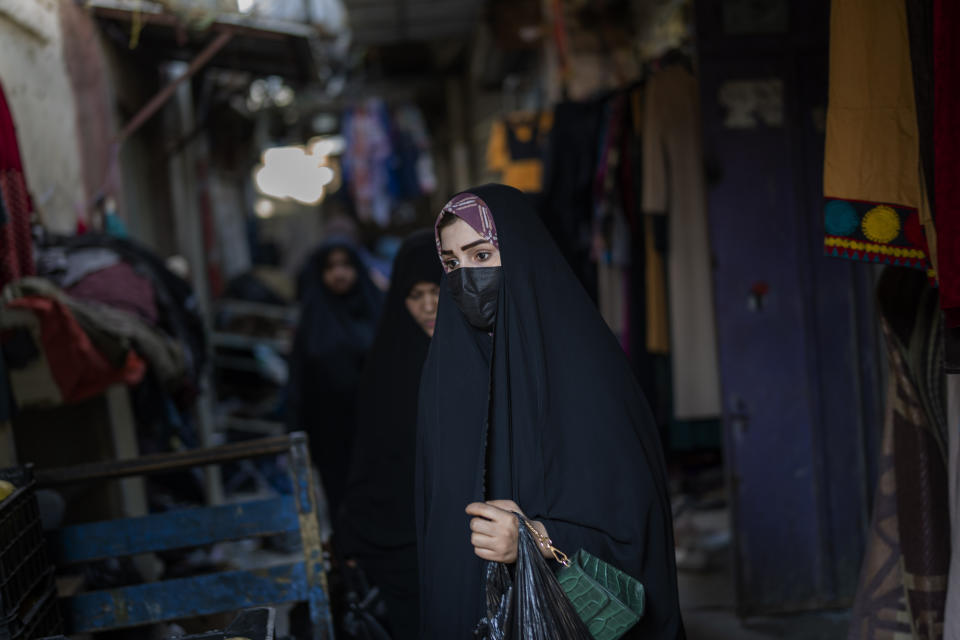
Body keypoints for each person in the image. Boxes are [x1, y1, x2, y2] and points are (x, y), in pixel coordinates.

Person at [415, 185, 684, 639]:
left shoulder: (587, 371)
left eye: (481, 256)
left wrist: (535, 537)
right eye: (452, 262)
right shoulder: (444, 378)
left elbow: (637, 525)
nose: (465, 276)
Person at [336, 230, 441, 639]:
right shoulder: (386, 367)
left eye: (437, 291)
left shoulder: (479, 356)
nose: (428, 306)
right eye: (415, 296)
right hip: (400, 541)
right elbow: (371, 456)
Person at [288, 241, 383, 518]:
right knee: (342, 503)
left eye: (345, 265)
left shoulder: (376, 309)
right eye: (330, 267)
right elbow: (298, 376)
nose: (339, 274)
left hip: (377, 426)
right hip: (329, 433)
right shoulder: (313, 317)